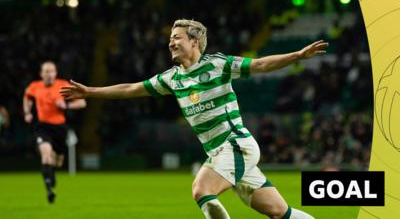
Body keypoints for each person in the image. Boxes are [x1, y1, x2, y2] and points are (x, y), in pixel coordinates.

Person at [61, 19, 328, 219]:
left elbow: (259, 65)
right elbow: (131, 89)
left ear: (194, 42)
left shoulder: (218, 65)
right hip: (220, 153)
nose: (171, 42)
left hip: (236, 145)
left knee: (201, 190)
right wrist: (90, 91)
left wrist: (297, 56)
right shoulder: (172, 78)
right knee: (280, 212)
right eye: (170, 39)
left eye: (177, 37)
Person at [23, 61, 86, 203]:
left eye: (51, 71)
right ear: (41, 74)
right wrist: (27, 112)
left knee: (58, 162)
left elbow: (82, 103)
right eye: (46, 71)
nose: (49, 74)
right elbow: (26, 98)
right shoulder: (35, 86)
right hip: (42, 127)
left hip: (59, 128)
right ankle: (49, 189)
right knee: (45, 155)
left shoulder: (62, 85)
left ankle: (51, 172)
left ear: (55, 73)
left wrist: (67, 105)